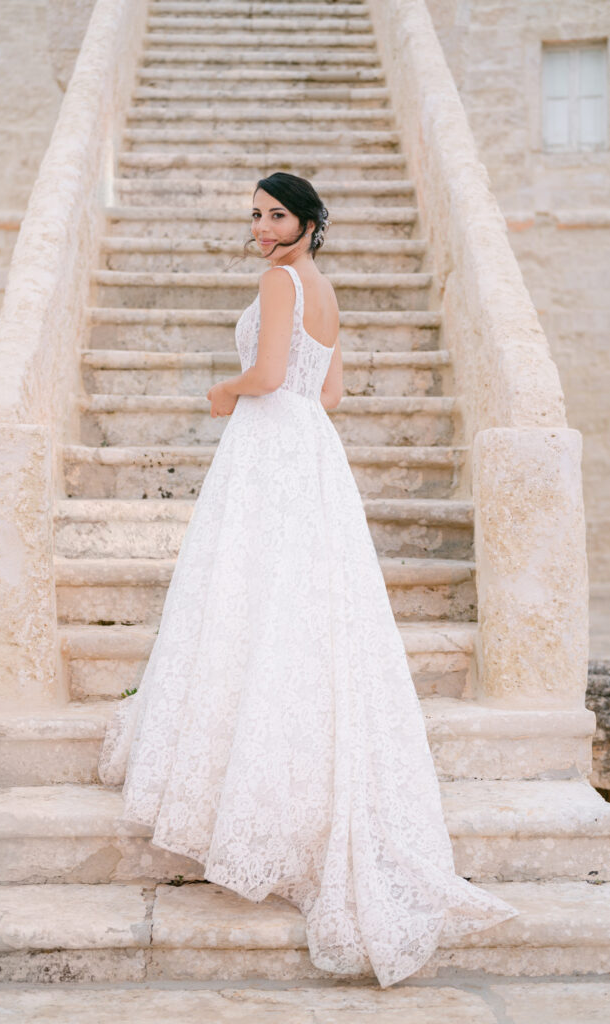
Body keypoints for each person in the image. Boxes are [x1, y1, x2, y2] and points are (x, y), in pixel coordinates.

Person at [97, 171, 519, 987]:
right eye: (254, 214)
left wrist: (222, 392)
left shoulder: (278, 280)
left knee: (252, 592)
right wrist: (271, 395)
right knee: (297, 600)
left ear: (307, 221)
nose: (259, 226)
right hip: (310, 445)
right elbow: (328, 389)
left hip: (266, 442)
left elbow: (261, 377)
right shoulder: (321, 287)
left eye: (274, 214)